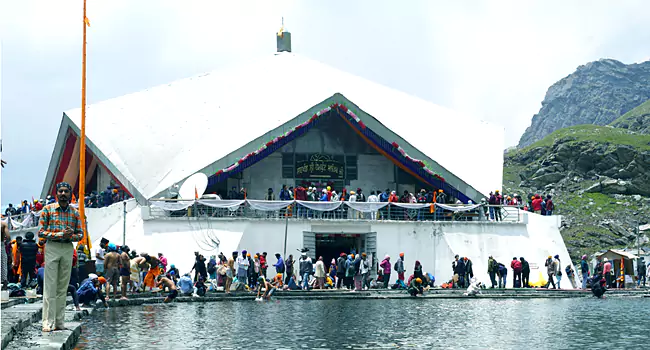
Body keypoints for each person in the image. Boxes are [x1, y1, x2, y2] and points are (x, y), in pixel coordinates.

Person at [38, 182, 84, 332]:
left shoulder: (75, 213)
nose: (63, 194)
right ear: (56, 194)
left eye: (66, 191)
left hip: (67, 248)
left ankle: (59, 321)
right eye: (61, 191)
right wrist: (59, 234)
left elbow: (81, 234)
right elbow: (41, 232)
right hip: (52, 246)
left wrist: (71, 235)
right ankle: (47, 322)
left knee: (62, 286)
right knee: (50, 285)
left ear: (70, 194)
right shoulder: (48, 210)